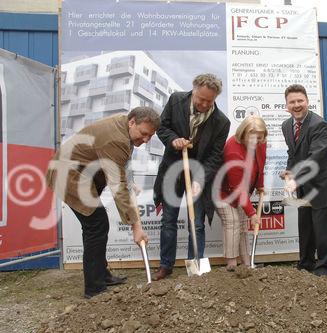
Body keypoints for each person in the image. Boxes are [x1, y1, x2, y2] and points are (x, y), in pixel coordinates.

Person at [46, 107, 159, 298]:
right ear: (132, 122)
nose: (146, 140)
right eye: (144, 133)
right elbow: (118, 187)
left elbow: (119, 166)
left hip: (84, 173)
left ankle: (101, 275)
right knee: (96, 225)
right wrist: (136, 226)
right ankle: (94, 288)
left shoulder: (124, 127)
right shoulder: (116, 138)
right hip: (68, 174)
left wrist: (128, 182)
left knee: (96, 226)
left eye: (150, 136)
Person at [153, 73, 230, 280]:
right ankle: (165, 265)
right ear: (193, 90)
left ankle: (195, 266)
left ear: (215, 98)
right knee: (168, 219)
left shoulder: (221, 122)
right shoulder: (176, 100)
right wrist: (173, 140)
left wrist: (199, 179)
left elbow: (215, 156)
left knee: (196, 223)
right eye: (200, 99)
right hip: (172, 170)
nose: (204, 104)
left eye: (209, 101)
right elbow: (161, 126)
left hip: (198, 174)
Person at [281, 84, 327, 277]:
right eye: (292, 102)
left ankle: (323, 268)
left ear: (307, 102)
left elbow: (316, 157)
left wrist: (296, 178)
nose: (296, 105)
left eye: (300, 101)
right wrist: (289, 172)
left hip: (325, 184)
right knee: (305, 226)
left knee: (322, 230)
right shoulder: (287, 126)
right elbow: (293, 154)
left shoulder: (319, 125)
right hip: (305, 185)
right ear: (286, 105)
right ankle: (305, 264)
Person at [215, 116, 267, 271]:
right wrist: (252, 213)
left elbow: (260, 164)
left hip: (243, 190)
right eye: (250, 138)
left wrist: (260, 185)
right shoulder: (233, 149)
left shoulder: (261, 143)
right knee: (232, 223)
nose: (254, 142)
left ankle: (247, 264)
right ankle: (231, 265)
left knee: (243, 227)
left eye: (258, 138)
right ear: (243, 134)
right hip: (224, 192)